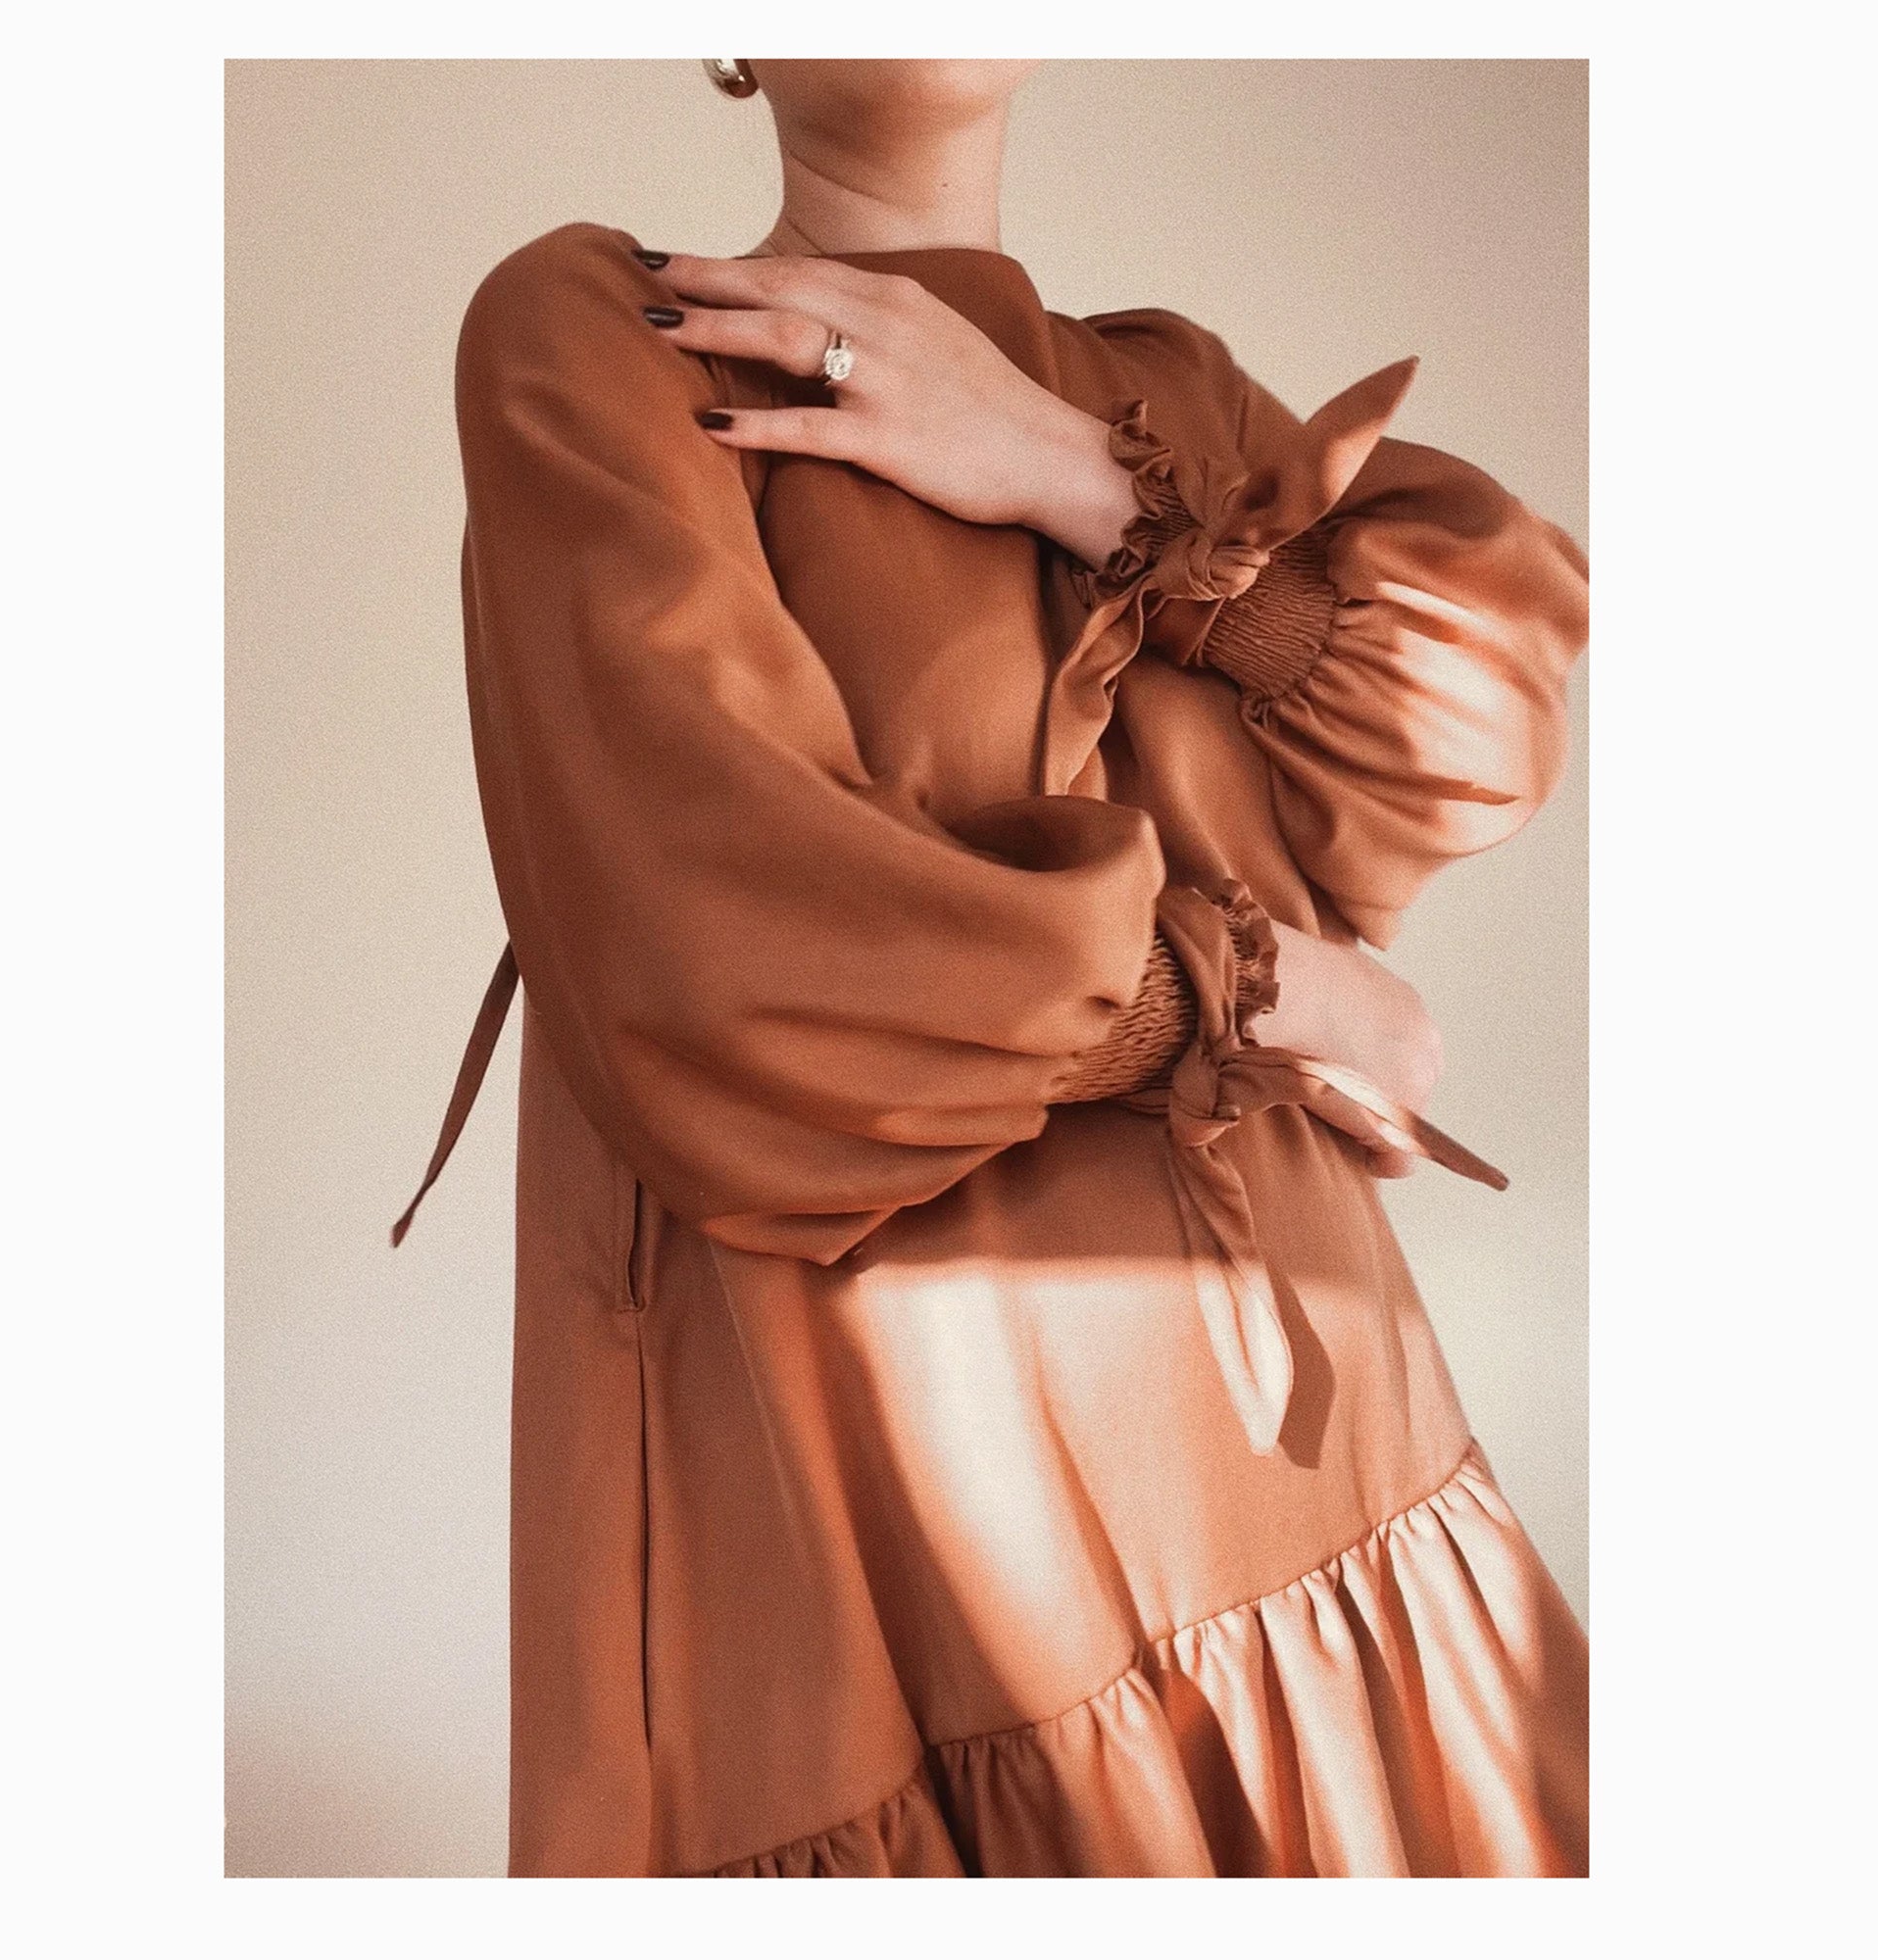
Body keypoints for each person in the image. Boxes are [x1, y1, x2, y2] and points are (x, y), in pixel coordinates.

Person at [394, 57, 1590, 1877]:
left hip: (1320, 1478)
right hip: (908, 1538)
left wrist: (1064, 468)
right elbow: (727, 955)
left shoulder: (1165, 392)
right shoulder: (611, 338)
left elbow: (1468, 731)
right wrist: (1267, 994)